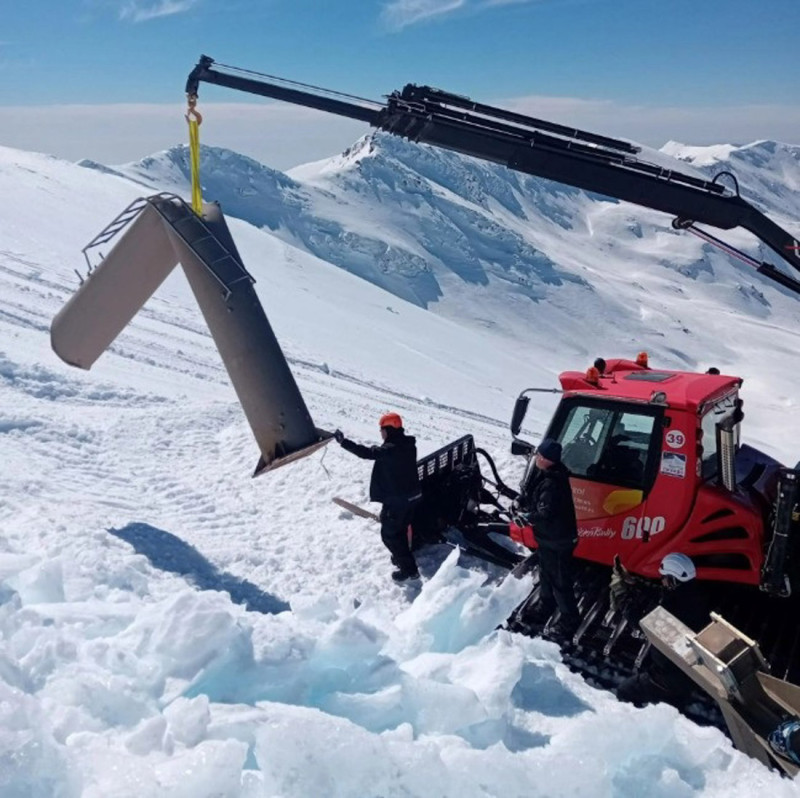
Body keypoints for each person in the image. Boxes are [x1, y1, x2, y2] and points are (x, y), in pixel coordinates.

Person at [613, 552, 710, 708]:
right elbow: (661, 593)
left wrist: (621, 596)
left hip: (668, 678)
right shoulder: (694, 595)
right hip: (689, 675)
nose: (662, 580)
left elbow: (640, 622)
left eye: (664, 577)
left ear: (673, 580)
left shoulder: (670, 609)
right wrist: (634, 583)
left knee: (624, 691)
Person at [334, 413, 422, 583]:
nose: (381, 433)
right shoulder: (408, 445)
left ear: (389, 430)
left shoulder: (390, 449)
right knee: (400, 530)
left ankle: (410, 570)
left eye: (382, 429)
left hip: (398, 501)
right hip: (411, 497)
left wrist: (343, 442)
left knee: (389, 535)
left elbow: (367, 453)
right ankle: (401, 557)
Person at [520, 437, 580, 639]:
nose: (536, 457)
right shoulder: (547, 475)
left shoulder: (552, 483)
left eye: (539, 455)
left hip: (558, 541)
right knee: (546, 573)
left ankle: (570, 621)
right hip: (548, 538)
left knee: (560, 581)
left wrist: (526, 518)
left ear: (546, 459)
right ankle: (545, 605)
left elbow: (546, 512)